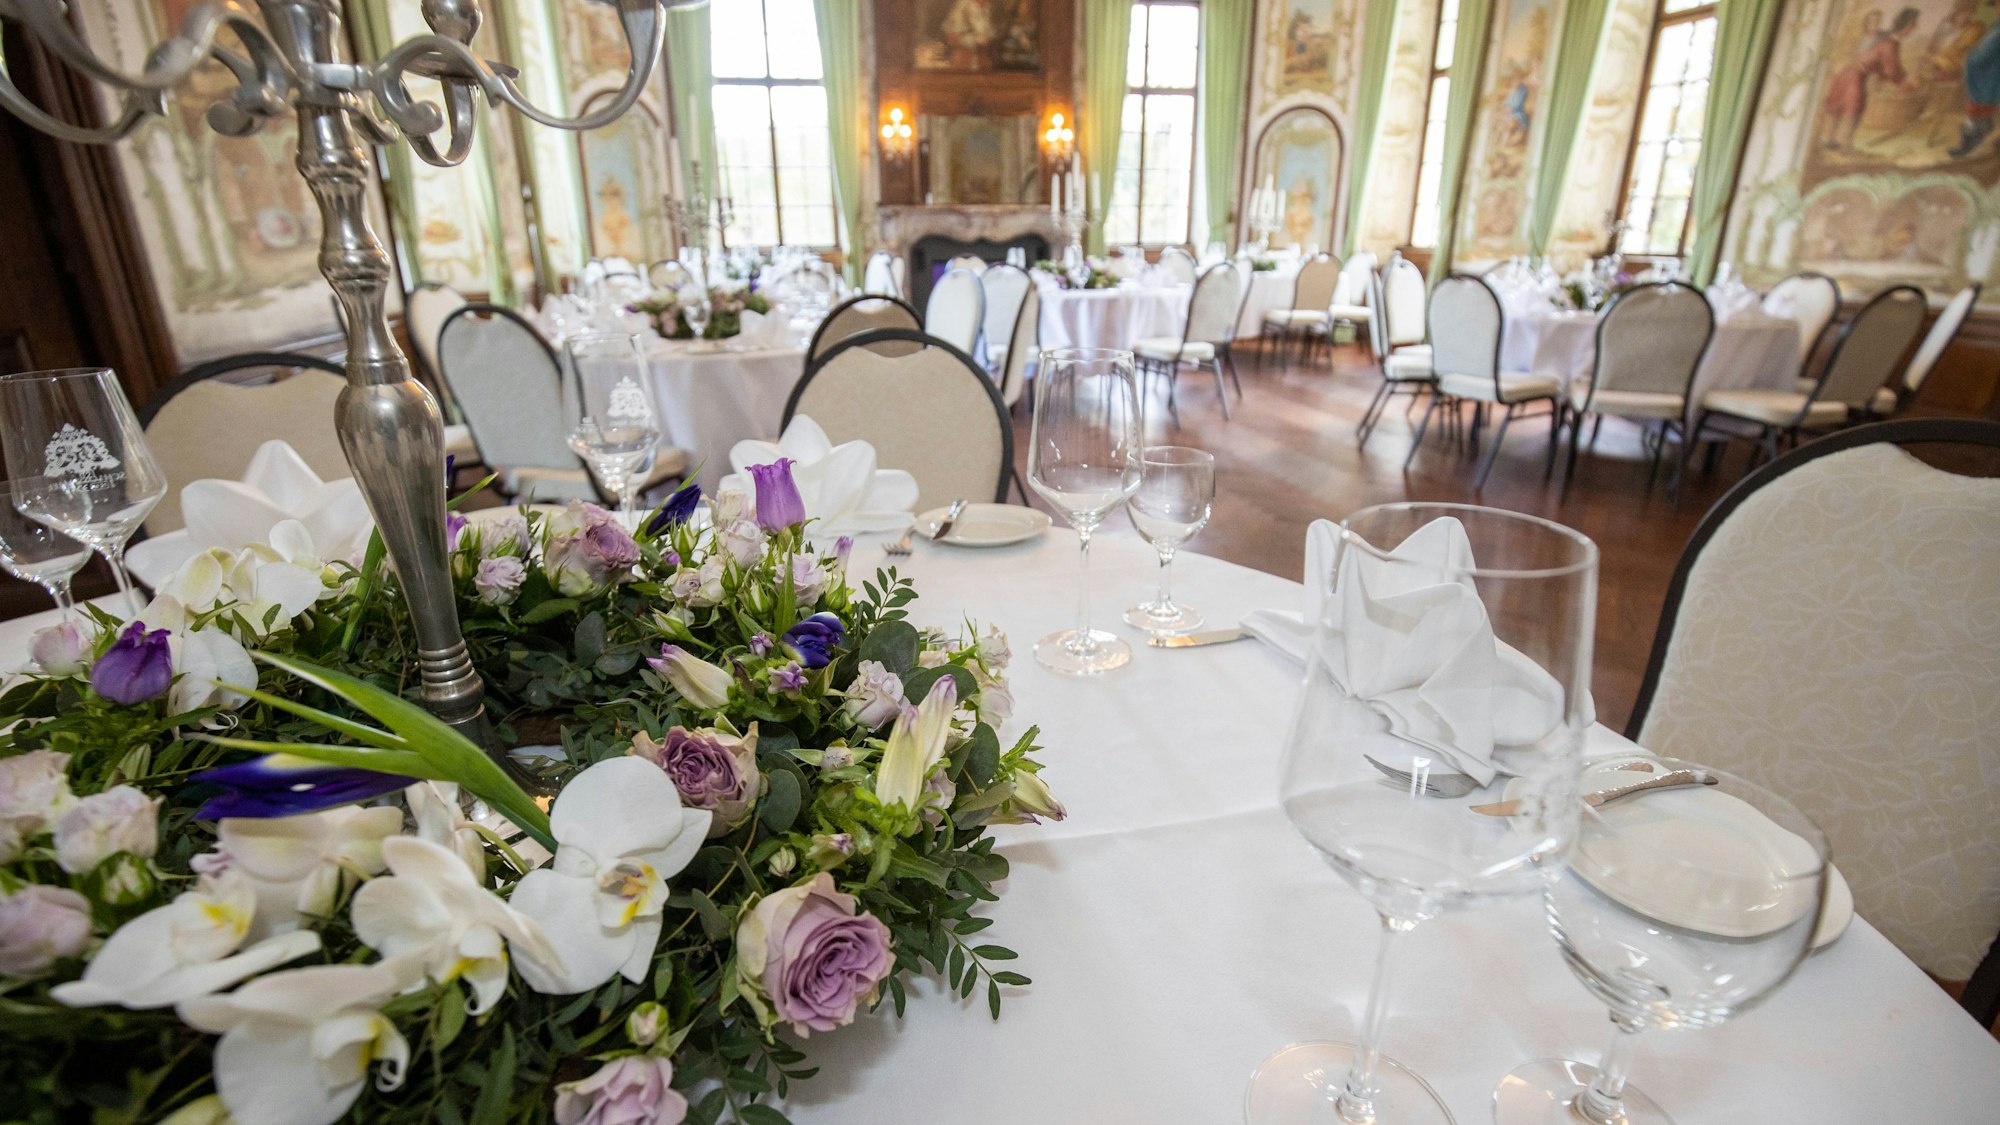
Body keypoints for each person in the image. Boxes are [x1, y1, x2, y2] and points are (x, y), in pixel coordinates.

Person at [1822, 7, 1920, 152]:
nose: (1914, 30)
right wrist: (1907, 82)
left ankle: (1830, 141)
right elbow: (1891, 70)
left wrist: (1903, 77)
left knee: (1841, 107)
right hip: (1855, 77)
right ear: (1906, 26)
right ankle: (1842, 144)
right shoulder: (1889, 42)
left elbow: (1890, 66)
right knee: (1852, 110)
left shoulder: (1888, 40)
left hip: (1848, 74)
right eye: (1913, 26)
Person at [1951, 17, 2000, 154]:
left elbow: (1979, 56)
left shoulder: (1997, 30)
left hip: (1989, 83)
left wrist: (1969, 54)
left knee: (1979, 117)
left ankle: (1970, 144)